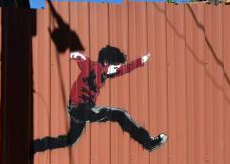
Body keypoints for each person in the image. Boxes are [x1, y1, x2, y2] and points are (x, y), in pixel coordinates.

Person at [31, 45, 167, 153]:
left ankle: (37, 145)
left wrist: (140, 61)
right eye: (115, 66)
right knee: (119, 114)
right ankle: (148, 143)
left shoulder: (107, 73)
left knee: (70, 140)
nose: (116, 70)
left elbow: (125, 69)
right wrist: (75, 55)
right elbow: (82, 60)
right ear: (107, 62)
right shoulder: (91, 66)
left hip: (81, 112)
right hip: (79, 108)